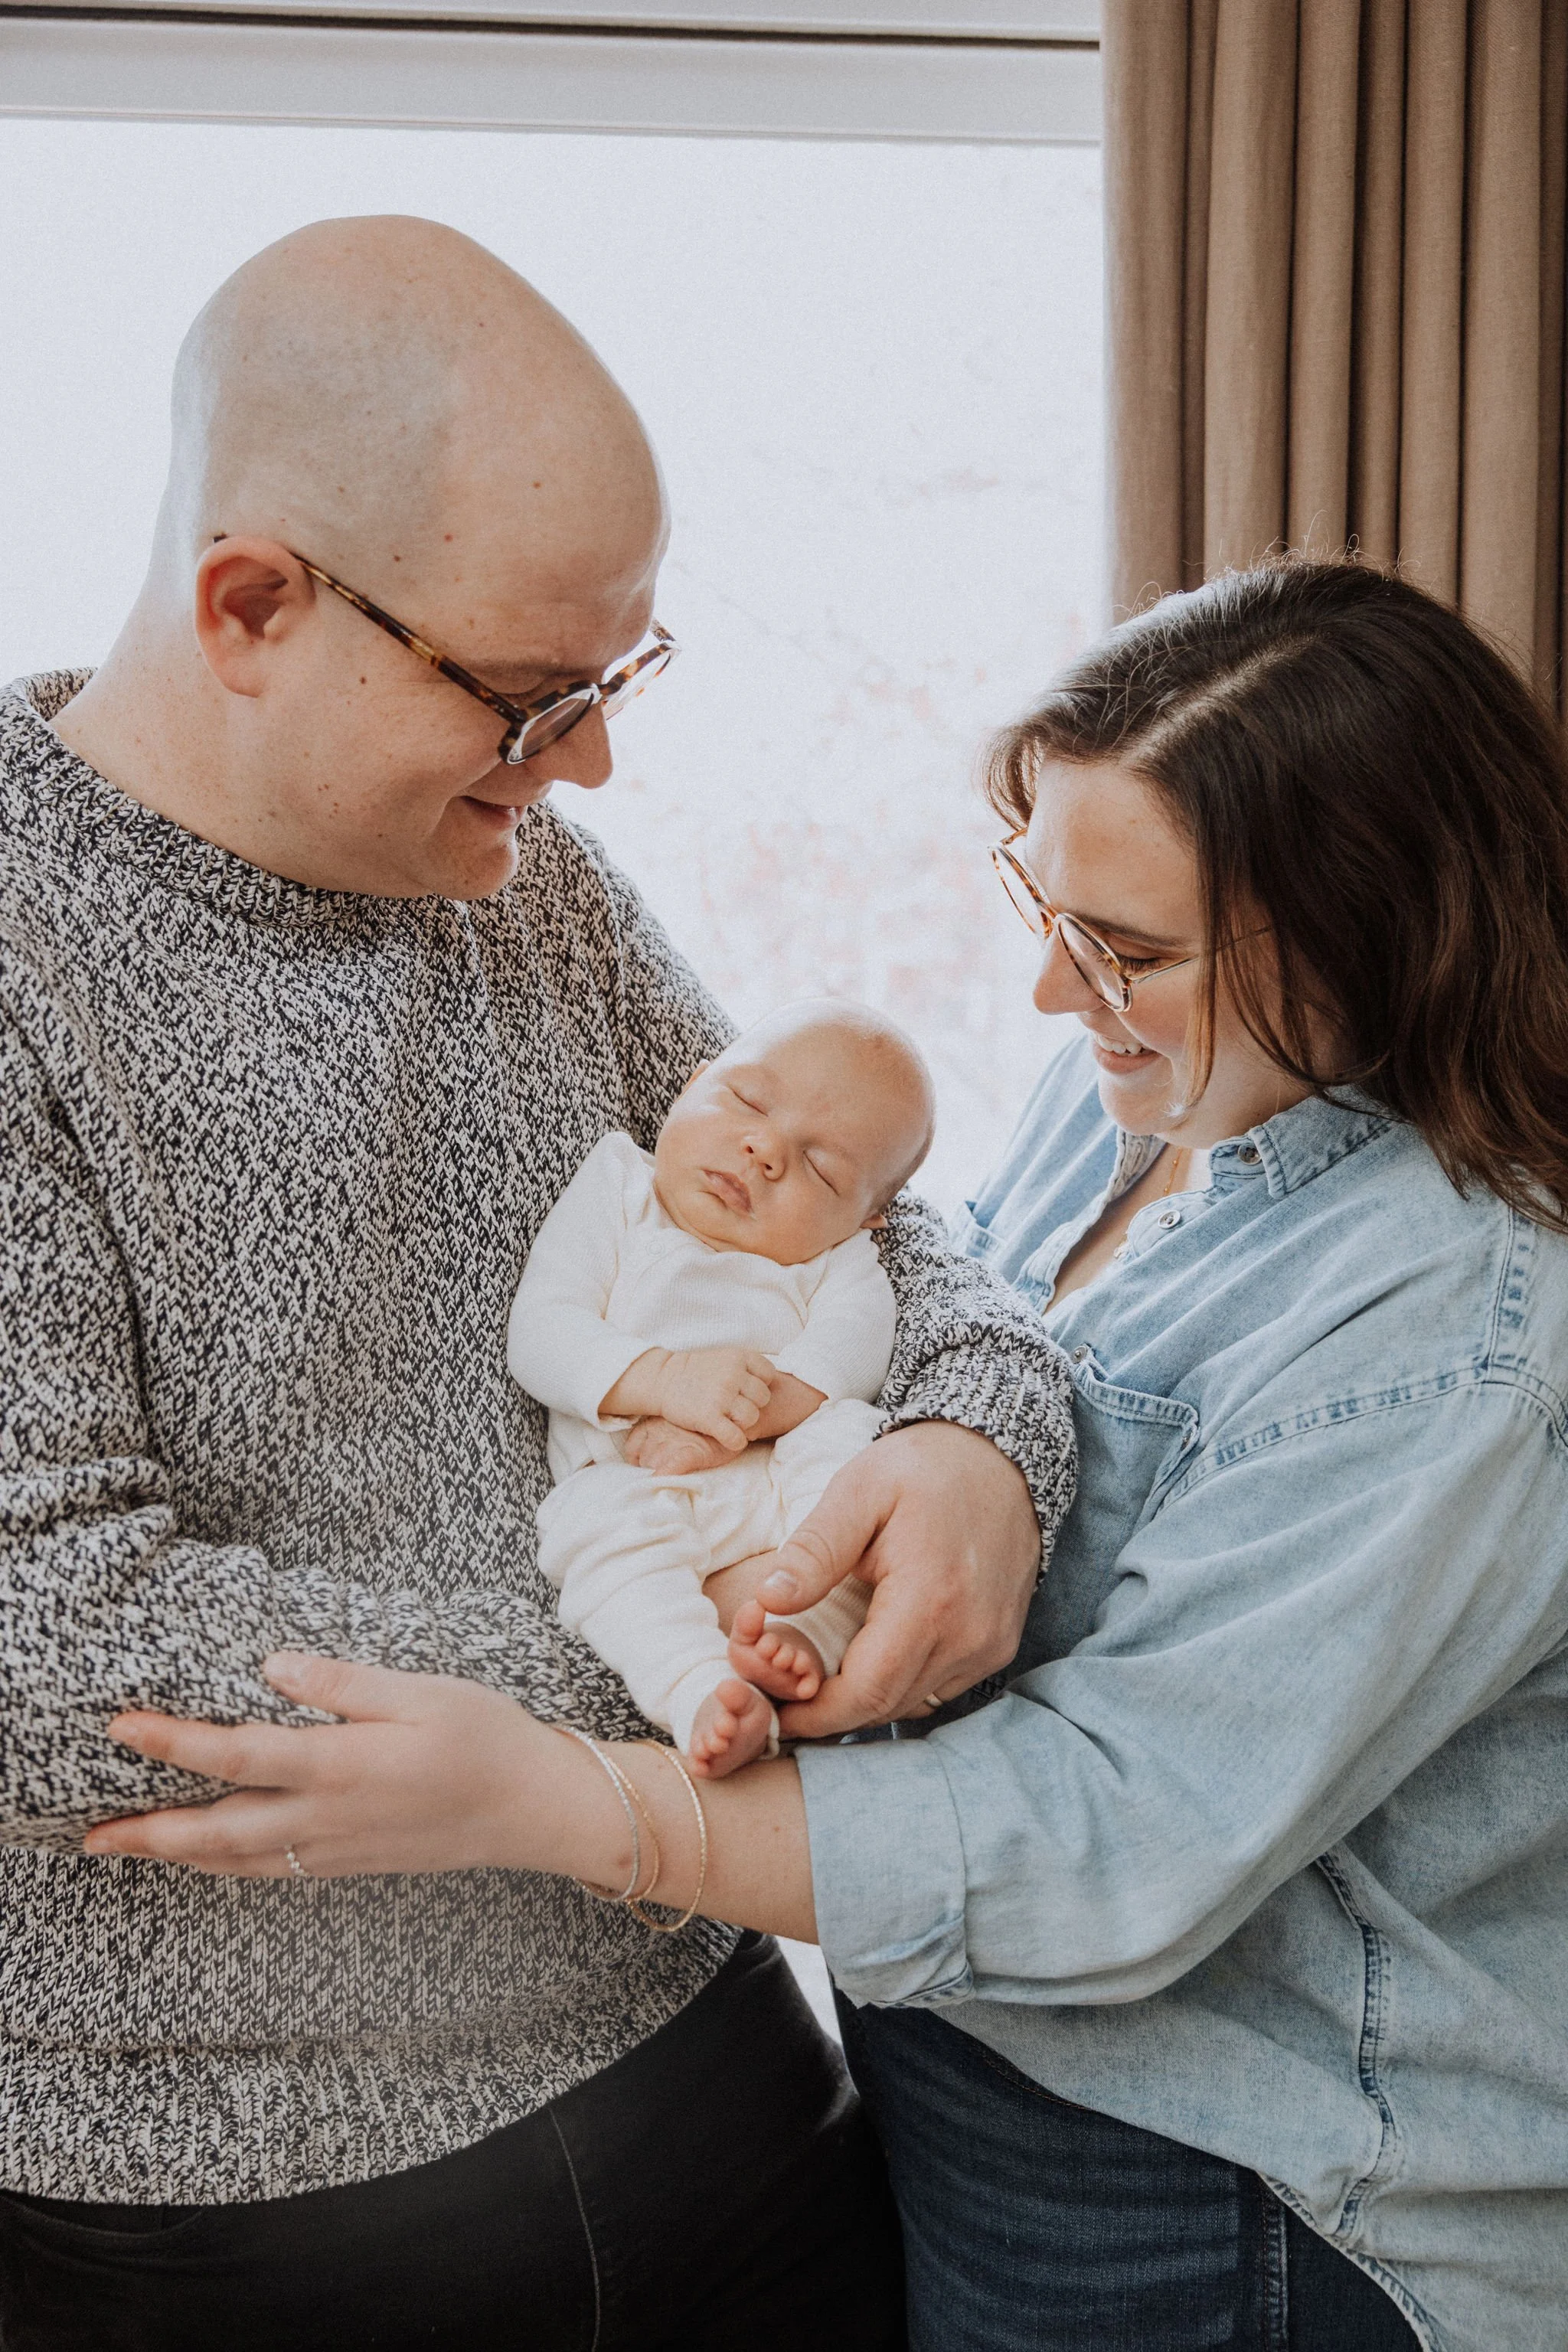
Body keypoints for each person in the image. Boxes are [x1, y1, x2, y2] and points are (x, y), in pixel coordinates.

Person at [103, 560, 1568, 2352]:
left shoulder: (1471, 1328)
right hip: (971, 2076)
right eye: (1041, 897)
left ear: (1383, 934)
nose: (1049, 989)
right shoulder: (1142, 1089)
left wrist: (558, 1802)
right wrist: (969, 1440)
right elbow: (928, 1283)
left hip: (1232, 2190)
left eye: (1127, 950)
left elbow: (1116, 1843)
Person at [0, 214, 1080, 2350]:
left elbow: (854, 1202)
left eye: (619, 681)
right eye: (535, 695)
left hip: (707, 2053)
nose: (590, 764)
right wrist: (707, 1664)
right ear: (251, 605)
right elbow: (49, 1631)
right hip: (210, 2200)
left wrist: (980, 1433)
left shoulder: (520, 871)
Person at [511, 999, 942, 1776]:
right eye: (746, 1100)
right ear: (692, 1082)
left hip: (776, 1492)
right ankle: (698, 1689)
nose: (764, 1149)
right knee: (590, 1535)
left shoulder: (837, 1261)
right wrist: (663, 1381)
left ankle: (811, 1626)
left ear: (867, 1218)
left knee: (853, 1441)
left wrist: (740, 1420)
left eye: (822, 1168)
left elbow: (848, 1358)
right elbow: (543, 1329)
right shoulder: (621, 1186)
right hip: (635, 1482)